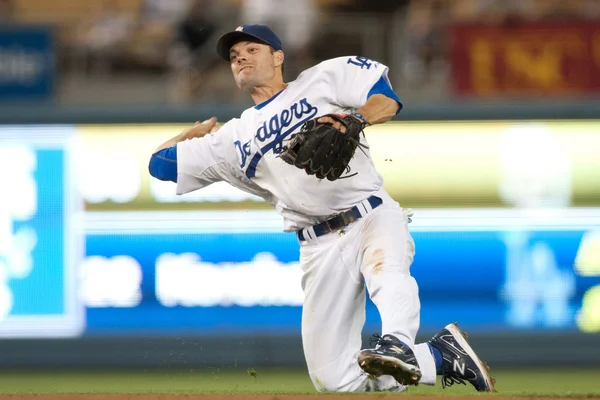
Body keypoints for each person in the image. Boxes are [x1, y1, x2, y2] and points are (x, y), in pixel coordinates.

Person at [148, 24, 496, 393]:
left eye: (252, 50)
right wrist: (189, 135)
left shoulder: (321, 80)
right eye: (234, 57)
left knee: (387, 273)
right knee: (334, 380)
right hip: (318, 245)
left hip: (370, 212)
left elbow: (387, 99)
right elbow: (160, 165)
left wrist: (356, 120)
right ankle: (440, 356)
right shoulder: (231, 138)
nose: (241, 59)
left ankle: (399, 340)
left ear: (278, 56)